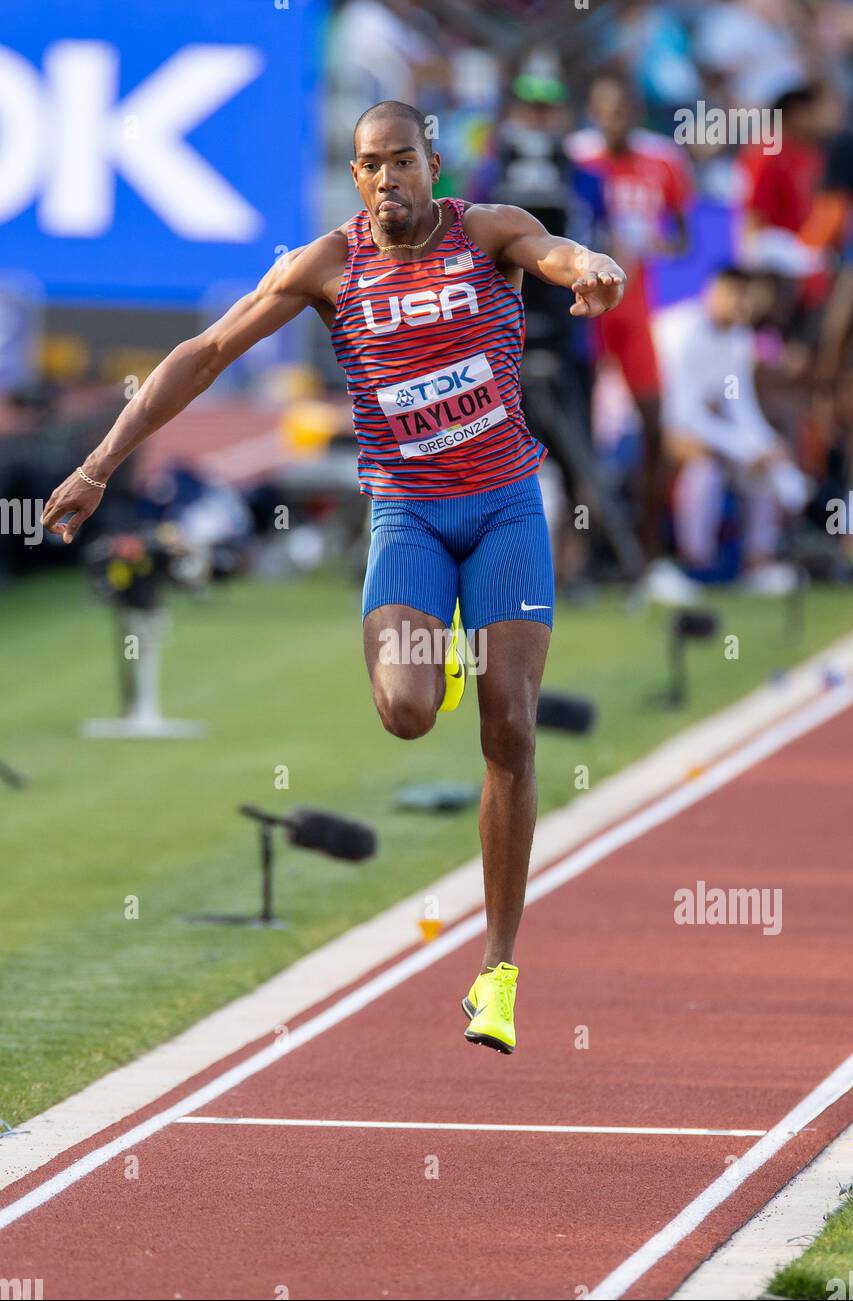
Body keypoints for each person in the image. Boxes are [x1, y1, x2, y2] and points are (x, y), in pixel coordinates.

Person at [40, 101, 625, 1056]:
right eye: (369, 165)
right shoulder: (327, 265)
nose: (387, 178)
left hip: (506, 506)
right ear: (354, 176)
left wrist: (589, 267)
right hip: (408, 516)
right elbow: (205, 352)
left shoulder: (486, 234)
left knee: (510, 723)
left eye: (403, 161)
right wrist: (101, 463)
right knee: (403, 711)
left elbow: (557, 250)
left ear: (433, 162)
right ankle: (431, 657)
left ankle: (498, 967)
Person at [565, 71, 693, 599]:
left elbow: (683, 233)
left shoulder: (662, 161)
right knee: (577, 434)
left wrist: (653, 248)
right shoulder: (575, 158)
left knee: (655, 423)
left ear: (635, 112)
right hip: (586, 309)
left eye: (620, 110)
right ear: (593, 110)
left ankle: (650, 558)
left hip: (636, 309)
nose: (612, 120)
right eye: (603, 109)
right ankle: (586, 558)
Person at [653, 267, 810, 592]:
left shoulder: (739, 339)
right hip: (656, 424)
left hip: (710, 431)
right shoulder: (678, 330)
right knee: (703, 470)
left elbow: (741, 406)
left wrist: (767, 446)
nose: (744, 305)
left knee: (763, 469)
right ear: (716, 292)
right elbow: (682, 414)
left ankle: (758, 564)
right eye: (737, 296)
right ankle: (696, 566)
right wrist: (742, 448)